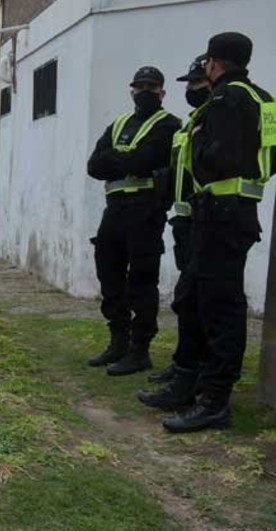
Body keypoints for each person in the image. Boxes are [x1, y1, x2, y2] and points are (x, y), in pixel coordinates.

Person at [163, 32, 273, 432]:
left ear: (213, 63)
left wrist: (198, 144)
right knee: (203, 298)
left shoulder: (226, 99)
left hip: (220, 211)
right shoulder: (265, 100)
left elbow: (216, 160)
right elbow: (268, 156)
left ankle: (214, 401)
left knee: (219, 307)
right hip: (241, 209)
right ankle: (196, 385)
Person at [85, 66, 181, 376]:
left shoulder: (169, 125)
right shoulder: (120, 123)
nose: (144, 93)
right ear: (132, 91)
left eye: (150, 88)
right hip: (114, 210)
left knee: (142, 279)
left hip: (146, 209)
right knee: (109, 273)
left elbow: (146, 160)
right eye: (139, 87)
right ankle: (118, 341)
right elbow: (94, 165)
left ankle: (141, 349)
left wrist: (119, 158)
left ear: (161, 93)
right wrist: (128, 160)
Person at [138, 54, 213, 410]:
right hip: (184, 222)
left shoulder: (216, 118)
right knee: (188, 303)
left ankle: (198, 373)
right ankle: (185, 367)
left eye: (198, 84)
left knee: (200, 300)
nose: (192, 90)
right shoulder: (190, 124)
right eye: (190, 84)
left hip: (209, 221)